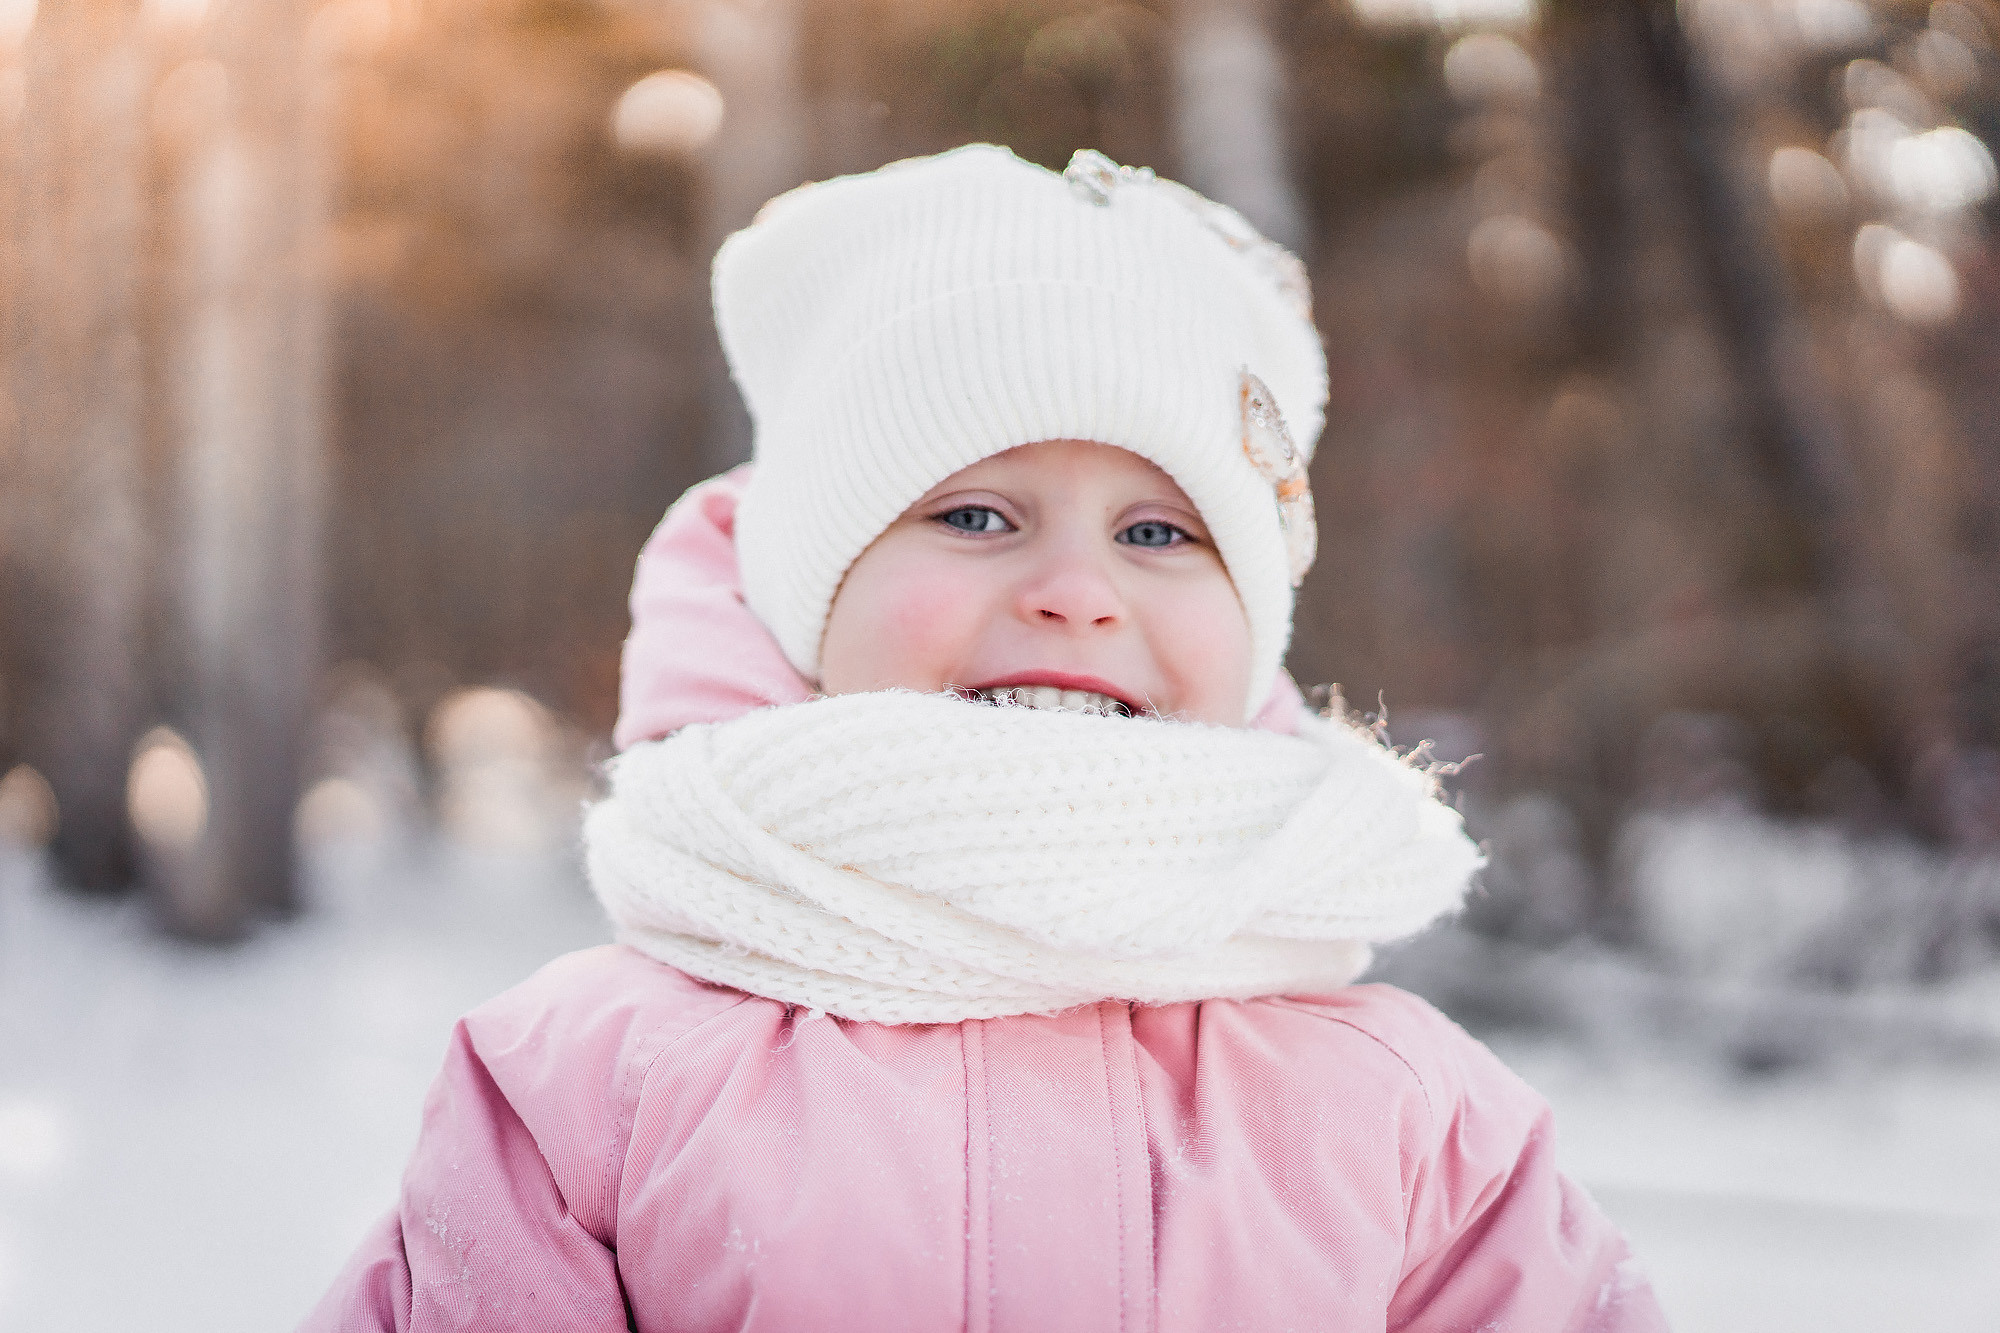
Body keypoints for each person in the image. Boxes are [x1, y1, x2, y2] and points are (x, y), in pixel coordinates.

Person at [303, 144, 1668, 1331]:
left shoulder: (1408, 1107)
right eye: (975, 515)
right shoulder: (590, 1078)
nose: (1076, 589)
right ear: (807, 586)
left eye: (1159, 533)